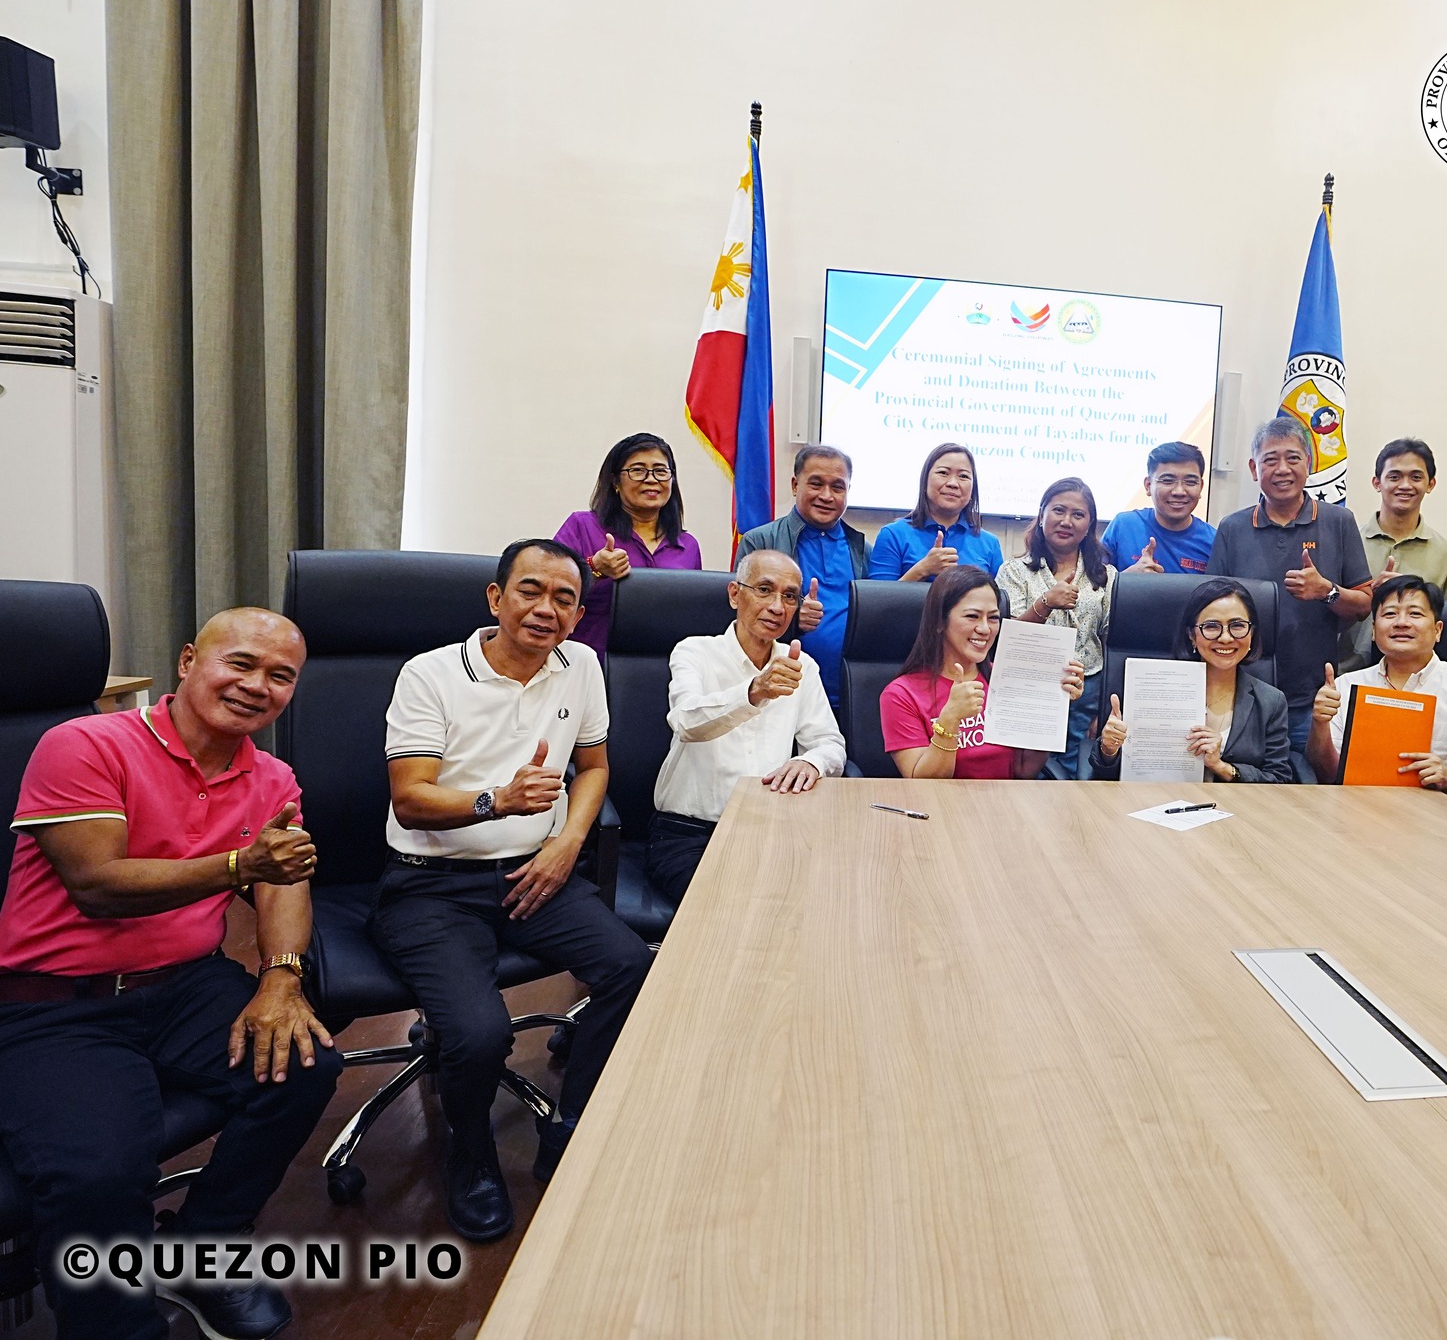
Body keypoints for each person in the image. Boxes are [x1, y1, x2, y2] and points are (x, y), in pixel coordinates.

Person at [0, 608, 341, 1340]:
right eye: (240, 663)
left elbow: (284, 878)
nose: (258, 686)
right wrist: (235, 865)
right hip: (57, 1001)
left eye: (280, 676)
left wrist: (281, 978)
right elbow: (97, 882)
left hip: (185, 981)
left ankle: (203, 1242)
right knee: (100, 1173)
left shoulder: (271, 774)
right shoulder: (85, 742)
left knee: (307, 1064)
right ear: (189, 661)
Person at [377, 539, 651, 1243]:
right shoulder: (430, 673)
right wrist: (496, 802)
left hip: (537, 872)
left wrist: (565, 845)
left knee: (632, 967)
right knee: (478, 1032)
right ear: (496, 599)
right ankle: (470, 1155)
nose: (546, 608)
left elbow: (593, 768)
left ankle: (574, 1120)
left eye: (564, 598)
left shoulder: (580, 664)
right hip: (432, 885)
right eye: (531, 590)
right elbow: (410, 800)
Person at [649, 549, 846, 903]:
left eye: (789, 596)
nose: (777, 607)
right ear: (735, 594)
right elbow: (686, 721)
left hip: (772, 829)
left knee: (822, 902)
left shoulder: (803, 666)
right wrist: (753, 693)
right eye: (764, 590)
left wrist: (811, 762)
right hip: (690, 834)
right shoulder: (695, 652)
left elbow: (830, 743)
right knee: (734, 907)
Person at [1206, 417, 1375, 750]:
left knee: (1307, 792)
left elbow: (1365, 603)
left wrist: (1327, 591)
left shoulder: (1339, 521)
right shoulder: (1232, 527)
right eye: (1271, 460)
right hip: (1242, 696)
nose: (1282, 468)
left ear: (1309, 465)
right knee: (1240, 784)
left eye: (1293, 458)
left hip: (1309, 698)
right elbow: (1209, 607)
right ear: (1255, 469)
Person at [881, 565, 1085, 779]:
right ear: (940, 621)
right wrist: (950, 719)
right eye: (972, 616)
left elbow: (1024, 770)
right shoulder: (901, 694)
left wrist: (1053, 706)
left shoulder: (1007, 679)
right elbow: (923, 784)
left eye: (994, 618)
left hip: (1002, 804)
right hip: (941, 809)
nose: (985, 629)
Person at [1308, 576, 1447, 792]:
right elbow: (1328, 774)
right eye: (1390, 613)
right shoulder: (1345, 685)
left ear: (1437, 630)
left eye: (1415, 614)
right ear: (1373, 630)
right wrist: (1320, 723)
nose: (1401, 622)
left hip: (1443, 816)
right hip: (1358, 812)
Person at [1092, 577, 1294, 783]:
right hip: (1156, 800)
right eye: (1212, 626)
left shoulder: (1270, 701)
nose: (1225, 638)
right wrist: (1109, 749)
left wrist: (1223, 767)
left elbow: (1279, 780)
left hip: (1236, 808)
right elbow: (1107, 775)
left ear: (1252, 633)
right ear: (1191, 635)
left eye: (1237, 625)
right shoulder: (1153, 685)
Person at [996, 477, 1116, 779]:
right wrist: (1045, 602)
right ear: (1042, 515)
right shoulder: (1014, 571)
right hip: (1029, 687)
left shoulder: (1106, 576)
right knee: (1029, 778)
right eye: (1058, 510)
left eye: (1078, 515)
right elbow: (1005, 638)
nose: (1066, 521)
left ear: (1089, 525)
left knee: (1078, 776)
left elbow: (1113, 643)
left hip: (1088, 690)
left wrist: (1102, 707)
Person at [735, 445, 869, 706]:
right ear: (795, 485)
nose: (826, 496)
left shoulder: (863, 549)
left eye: (838, 487)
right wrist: (794, 619)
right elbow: (741, 617)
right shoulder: (760, 541)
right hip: (778, 693)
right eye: (816, 484)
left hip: (849, 696)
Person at [553, 433, 703, 658]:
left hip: (664, 665)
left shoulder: (687, 545)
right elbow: (548, 587)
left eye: (661, 471)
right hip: (586, 659)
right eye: (638, 470)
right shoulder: (582, 525)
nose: (651, 479)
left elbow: (692, 614)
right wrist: (594, 568)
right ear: (615, 481)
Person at [1342, 437, 1447, 668]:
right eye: (1394, 476)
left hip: (1417, 680)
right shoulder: (1347, 542)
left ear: (1431, 484)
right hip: (1347, 671)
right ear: (1377, 482)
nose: (1405, 485)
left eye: (1416, 477)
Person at [867, 442, 1006, 581]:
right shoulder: (894, 535)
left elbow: (997, 601)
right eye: (943, 473)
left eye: (963, 476)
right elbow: (878, 600)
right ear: (925, 482)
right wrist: (922, 570)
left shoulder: (989, 543)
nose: (953, 483)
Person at [1101, 441, 1216, 574]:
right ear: (1148, 485)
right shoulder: (1123, 526)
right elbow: (1093, 587)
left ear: (1201, 487)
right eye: (1167, 481)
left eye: (1190, 482)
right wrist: (1127, 579)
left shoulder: (1213, 542)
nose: (1179, 491)